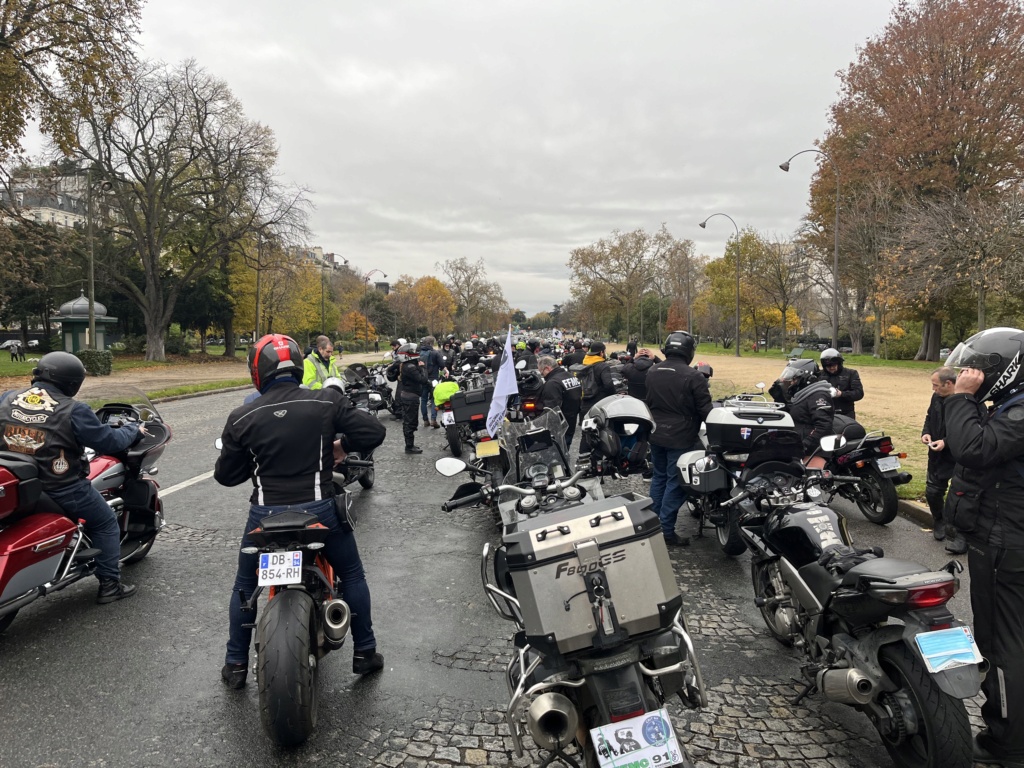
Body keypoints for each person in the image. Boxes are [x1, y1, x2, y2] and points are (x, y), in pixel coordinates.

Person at [215, 334, 387, 688]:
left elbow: (226, 476)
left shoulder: (242, 416)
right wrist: (341, 445)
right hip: (320, 510)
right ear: (297, 365)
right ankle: (364, 652)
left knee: (244, 587)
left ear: (257, 372)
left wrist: (253, 460)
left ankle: (235, 664)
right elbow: (374, 431)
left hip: (264, 515)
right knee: (352, 575)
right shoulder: (326, 401)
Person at [942, 327, 1024, 767]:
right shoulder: (1011, 405)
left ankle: (1008, 742)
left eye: (979, 368)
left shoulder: (1019, 411)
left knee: (1002, 643)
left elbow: (974, 448)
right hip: (1008, 535)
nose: (971, 374)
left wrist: (961, 397)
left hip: (1005, 541)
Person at [0, 351, 142, 603]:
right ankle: (110, 585)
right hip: (60, 487)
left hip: (17, 483)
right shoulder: (73, 410)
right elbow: (109, 441)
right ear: (73, 383)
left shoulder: (7, 398)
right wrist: (133, 429)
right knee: (106, 522)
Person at [644, 331, 712, 546]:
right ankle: (665, 530)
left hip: (656, 432)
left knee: (659, 477)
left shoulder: (652, 371)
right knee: (676, 482)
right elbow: (706, 411)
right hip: (680, 436)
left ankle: (653, 526)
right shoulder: (694, 376)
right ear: (689, 351)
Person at [921, 367, 958, 542]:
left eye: (936, 385)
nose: (933, 389)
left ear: (949, 383)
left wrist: (947, 441)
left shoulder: (967, 400)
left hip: (959, 456)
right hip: (936, 454)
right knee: (933, 492)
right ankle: (939, 521)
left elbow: (974, 430)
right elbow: (929, 417)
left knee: (958, 495)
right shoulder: (936, 397)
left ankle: (959, 531)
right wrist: (926, 433)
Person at [772, 358, 835, 457]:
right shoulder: (802, 395)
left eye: (794, 379)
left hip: (814, 450)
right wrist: (779, 398)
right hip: (796, 443)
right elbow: (793, 414)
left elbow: (824, 426)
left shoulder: (818, 395)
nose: (791, 382)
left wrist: (805, 445)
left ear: (805, 378)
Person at [389, 342, 427, 453]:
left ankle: (410, 445)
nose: (416, 352)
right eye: (413, 351)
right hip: (410, 397)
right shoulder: (410, 367)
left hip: (409, 396)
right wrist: (423, 368)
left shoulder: (408, 364)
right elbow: (422, 379)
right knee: (410, 422)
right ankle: (409, 447)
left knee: (411, 421)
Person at [538, 355, 582, 447]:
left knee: (558, 453)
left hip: (560, 425)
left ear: (547, 368)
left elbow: (551, 410)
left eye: (542, 373)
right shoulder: (570, 376)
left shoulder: (553, 383)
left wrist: (537, 423)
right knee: (566, 449)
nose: (543, 376)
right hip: (571, 420)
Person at [818, 348, 863, 419]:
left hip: (845, 413)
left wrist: (842, 394)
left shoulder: (851, 374)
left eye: (834, 365)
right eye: (828, 366)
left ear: (839, 363)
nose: (831, 368)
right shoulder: (819, 375)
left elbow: (859, 393)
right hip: (824, 413)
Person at [418, 336, 443, 428]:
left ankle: (425, 420)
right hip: (434, 379)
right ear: (432, 343)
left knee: (423, 400)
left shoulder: (419, 353)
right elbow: (442, 365)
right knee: (434, 400)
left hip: (423, 379)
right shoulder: (435, 353)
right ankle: (433, 419)